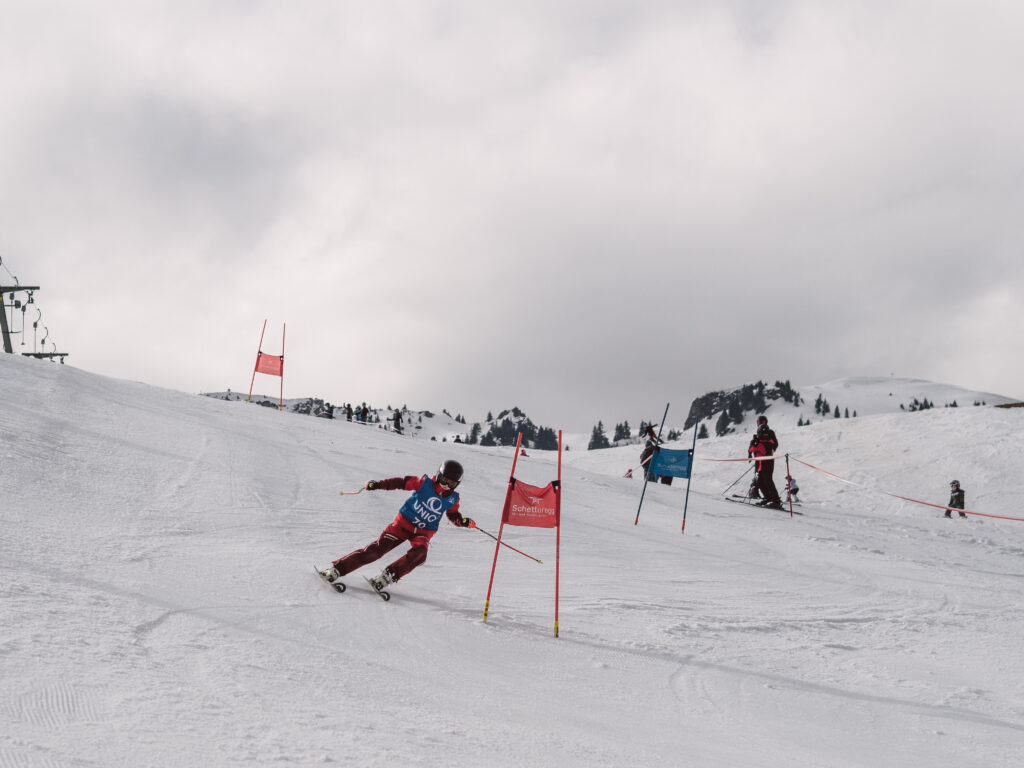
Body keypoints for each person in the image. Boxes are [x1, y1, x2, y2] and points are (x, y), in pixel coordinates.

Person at [319, 460, 475, 590]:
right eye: (443, 479)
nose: (446, 485)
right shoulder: (424, 483)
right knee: (375, 552)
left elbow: (453, 515)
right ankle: (336, 569)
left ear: (457, 484)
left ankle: (388, 575)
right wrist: (378, 484)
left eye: (451, 483)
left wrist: (462, 522)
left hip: (423, 532)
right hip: (402, 525)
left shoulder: (453, 499)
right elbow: (401, 482)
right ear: (438, 475)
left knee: (420, 554)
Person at [749, 415, 782, 509]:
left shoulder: (770, 432)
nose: (761, 424)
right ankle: (768, 498)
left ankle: (776, 500)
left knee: (767, 479)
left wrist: (771, 450)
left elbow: (775, 443)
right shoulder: (758, 433)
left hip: (767, 459)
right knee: (760, 481)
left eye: (763, 422)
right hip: (760, 460)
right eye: (760, 422)